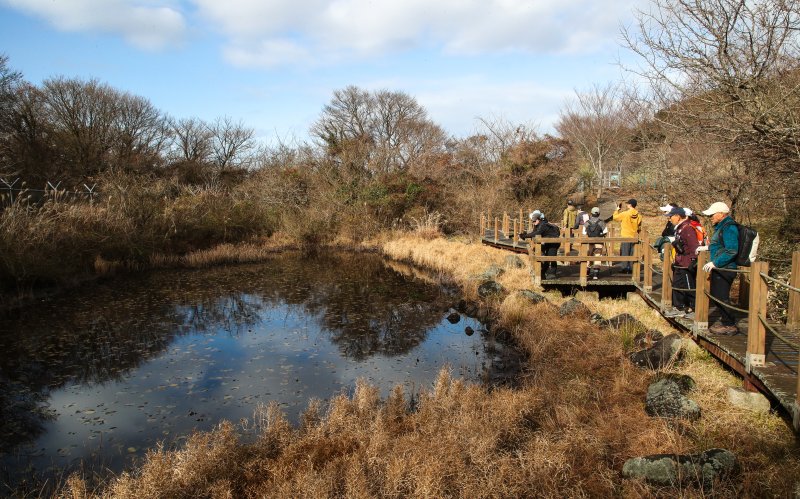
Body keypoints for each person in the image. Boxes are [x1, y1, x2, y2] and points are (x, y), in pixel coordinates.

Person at [699, 201, 739, 335]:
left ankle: (729, 325)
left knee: (721, 296)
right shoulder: (722, 227)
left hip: (726, 267)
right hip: (721, 266)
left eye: (712, 214)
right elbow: (720, 245)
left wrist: (715, 262)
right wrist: (707, 247)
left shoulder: (729, 227)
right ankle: (727, 321)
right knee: (717, 295)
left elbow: (732, 250)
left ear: (721, 214)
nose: (711, 217)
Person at [663, 207, 699, 319]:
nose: (669, 219)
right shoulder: (680, 228)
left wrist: (693, 260)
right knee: (677, 284)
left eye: (671, 216)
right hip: (680, 262)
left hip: (686, 263)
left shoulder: (687, 228)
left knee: (689, 286)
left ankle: (694, 309)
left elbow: (694, 246)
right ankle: (679, 307)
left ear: (678, 216)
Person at [520, 211, 561, 279]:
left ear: (538, 219)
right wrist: (525, 235)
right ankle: (543, 272)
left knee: (551, 257)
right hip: (548, 242)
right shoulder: (539, 224)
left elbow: (537, 233)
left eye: (534, 221)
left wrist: (524, 236)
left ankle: (552, 274)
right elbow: (534, 232)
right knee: (545, 256)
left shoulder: (543, 225)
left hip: (554, 243)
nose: (533, 223)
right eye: (532, 221)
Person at [612, 198, 642, 273]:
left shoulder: (625, 214)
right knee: (632, 253)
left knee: (625, 252)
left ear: (630, 205)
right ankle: (632, 268)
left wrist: (617, 210)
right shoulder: (639, 215)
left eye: (628, 204)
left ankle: (624, 268)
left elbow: (615, 218)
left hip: (626, 236)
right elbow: (639, 227)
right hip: (634, 236)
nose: (627, 205)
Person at [582, 207, 607, 279]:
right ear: (599, 213)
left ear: (591, 213)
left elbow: (584, 232)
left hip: (589, 242)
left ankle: (587, 272)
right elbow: (605, 232)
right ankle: (595, 274)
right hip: (598, 242)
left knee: (588, 256)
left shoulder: (587, 223)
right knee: (597, 256)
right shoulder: (602, 222)